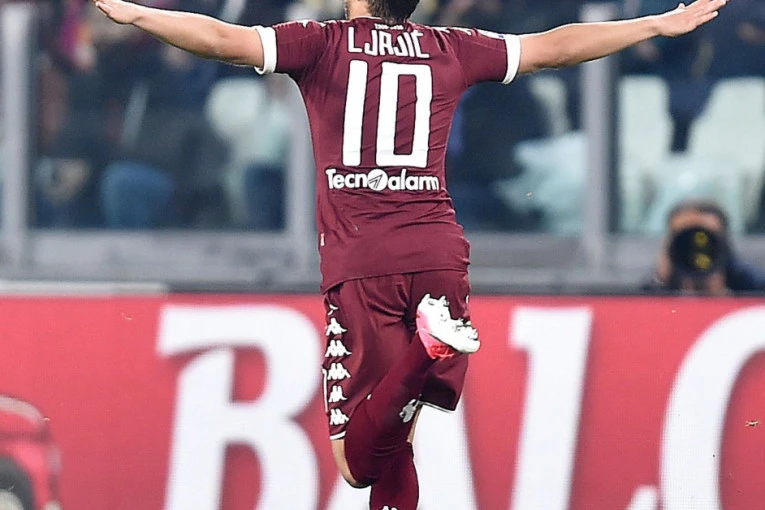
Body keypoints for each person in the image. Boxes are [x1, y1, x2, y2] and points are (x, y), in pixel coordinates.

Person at [92, 0, 727, 507]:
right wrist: (654, 24)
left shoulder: (322, 44)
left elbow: (220, 39)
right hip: (439, 253)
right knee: (398, 437)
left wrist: (139, 14)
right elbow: (553, 47)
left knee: (356, 462)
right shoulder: (449, 47)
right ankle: (432, 342)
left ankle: (429, 347)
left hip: (364, 259)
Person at [644, 199, 765, 295]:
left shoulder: (753, 285)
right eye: (686, 237)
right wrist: (660, 282)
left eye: (706, 236)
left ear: (723, 241)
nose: (697, 247)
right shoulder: (655, 285)